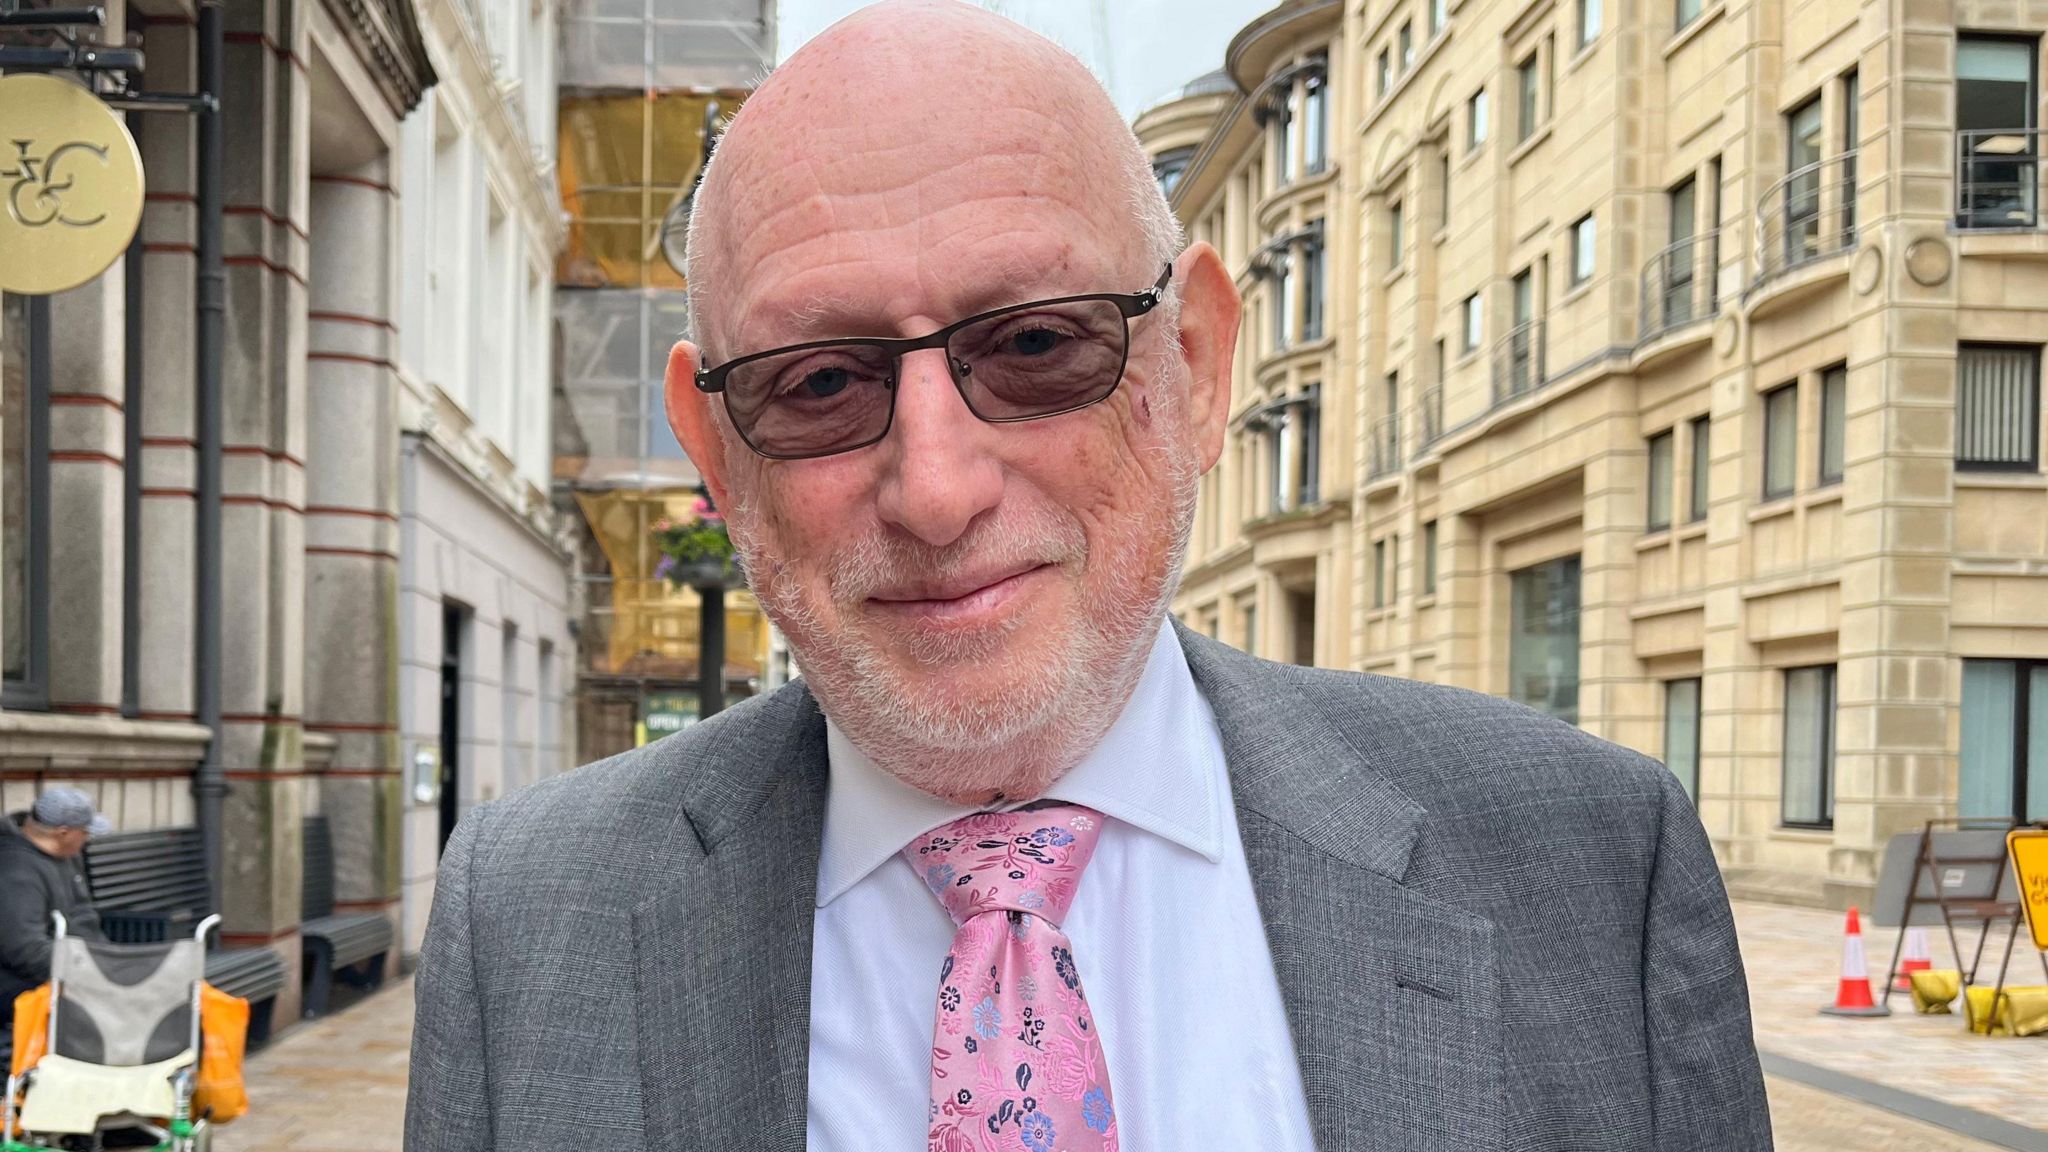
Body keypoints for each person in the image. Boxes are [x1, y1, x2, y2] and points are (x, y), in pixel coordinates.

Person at [406, 3, 1771, 1148]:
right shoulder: (526, 921)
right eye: (819, 382)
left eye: (1039, 346)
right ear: (715, 447)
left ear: (1195, 366)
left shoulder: (1590, 864)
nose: (937, 488)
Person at [0, 787, 109, 1047]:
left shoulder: (65, 855)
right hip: (24, 985)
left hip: (69, 969)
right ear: (63, 833)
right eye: (85, 832)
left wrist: (108, 963)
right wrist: (90, 975)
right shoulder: (17, 872)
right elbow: (24, 949)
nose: (88, 838)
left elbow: (84, 918)